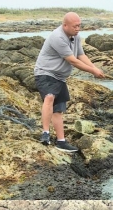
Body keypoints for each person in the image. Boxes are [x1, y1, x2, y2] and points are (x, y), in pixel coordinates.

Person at [34, 12, 105, 153]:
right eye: (75, 26)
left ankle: (61, 142)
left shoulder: (76, 36)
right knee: (49, 97)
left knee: (58, 109)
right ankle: (45, 133)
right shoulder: (58, 37)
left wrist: (95, 68)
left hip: (60, 77)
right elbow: (72, 60)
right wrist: (93, 72)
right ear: (65, 25)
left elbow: (81, 55)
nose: (78, 28)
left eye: (79, 26)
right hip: (45, 73)